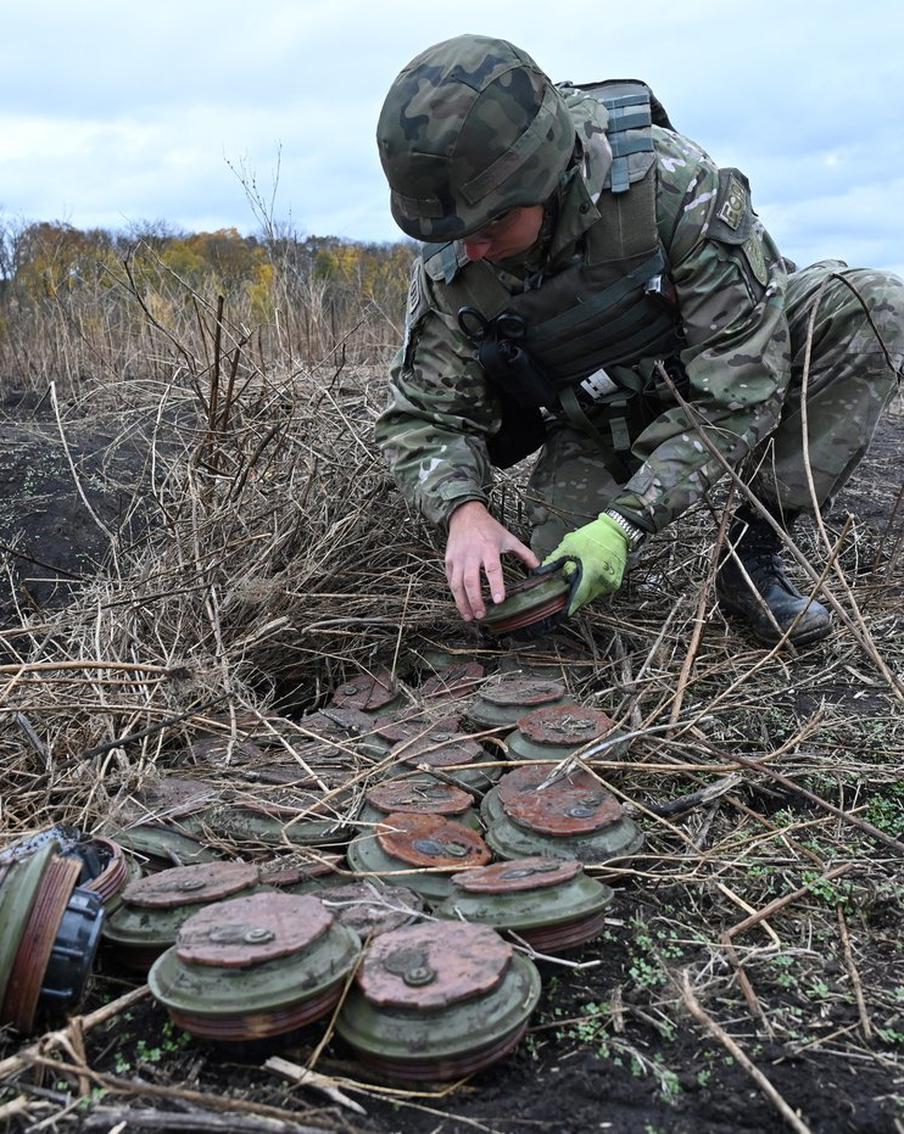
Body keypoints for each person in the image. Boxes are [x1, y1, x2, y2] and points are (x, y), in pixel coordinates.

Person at [373, 35, 903, 646]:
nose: (472, 249)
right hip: (600, 419)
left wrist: (627, 523)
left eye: (490, 225)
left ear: (543, 178)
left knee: (874, 305)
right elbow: (424, 416)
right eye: (454, 231)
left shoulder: (668, 186)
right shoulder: (456, 262)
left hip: (715, 378)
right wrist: (463, 512)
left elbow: (743, 386)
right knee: (549, 602)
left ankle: (752, 559)